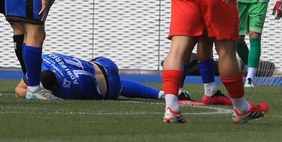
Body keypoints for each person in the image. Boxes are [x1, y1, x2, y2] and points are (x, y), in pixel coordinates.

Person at [15, 53, 191, 102]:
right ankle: (162, 94)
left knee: (111, 89)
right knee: (113, 81)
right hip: (104, 63)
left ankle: (163, 94)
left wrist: (31, 93)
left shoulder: (68, 87)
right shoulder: (41, 59)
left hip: (108, 87)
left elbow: (18, 89)